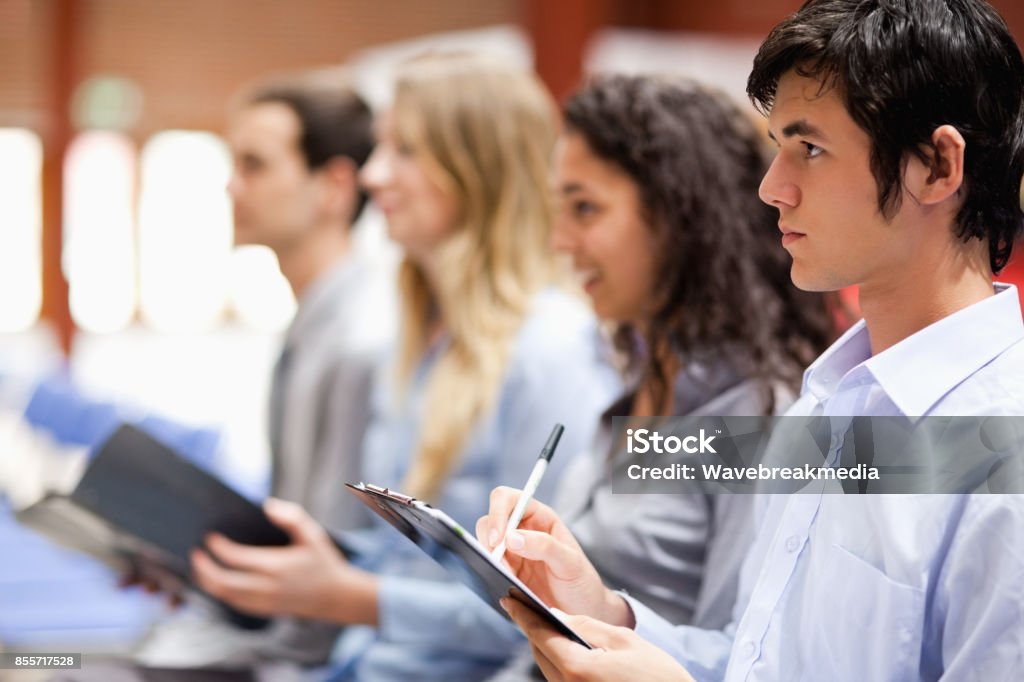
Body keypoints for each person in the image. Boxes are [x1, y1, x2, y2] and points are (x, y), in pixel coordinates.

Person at [476, 0, 1024, 680]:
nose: (772, 189)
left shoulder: (1003, 446)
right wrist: (603, 610)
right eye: (777, 148)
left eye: (811, 149)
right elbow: (757, 658)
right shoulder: (824, 404)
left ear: (937, 167)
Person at [188, 53, 620, 682]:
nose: (373, 175)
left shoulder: (551, 348)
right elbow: (403, 561)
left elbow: (544, 611)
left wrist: (347, 595)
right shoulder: (419, 341)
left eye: (405, 151)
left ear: (477, 169)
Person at [486, 74, 836, 681]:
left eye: (585, 208)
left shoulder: (758, 416)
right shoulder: (634, 384)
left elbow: (745, 656)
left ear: (679, 218)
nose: (560, 241)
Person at [129, 73, 396, 672]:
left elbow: (325, 575)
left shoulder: (361, 342)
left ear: (333, 187)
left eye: (255, 165)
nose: (231, 185)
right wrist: (195, 572)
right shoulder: (317, 325)